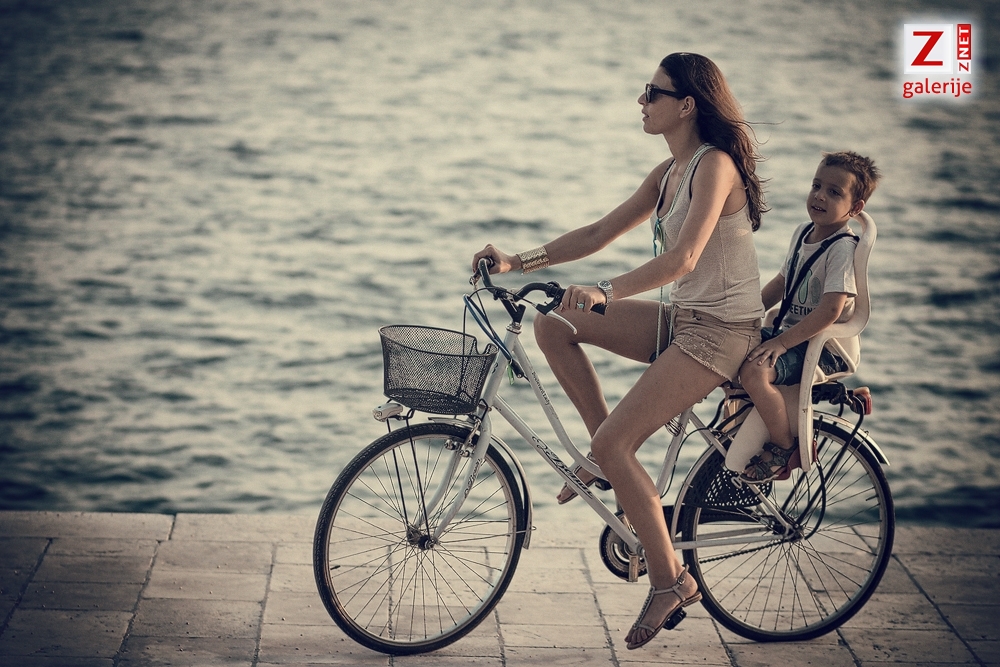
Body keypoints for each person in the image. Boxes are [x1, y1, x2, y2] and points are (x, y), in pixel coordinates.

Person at [472, 53, 766, 650]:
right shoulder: (669, 172)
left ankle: (670, 581)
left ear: (686, 105)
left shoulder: (715, 166)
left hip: (722, 332)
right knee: (555, 323)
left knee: (615, 442)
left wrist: (607, 291)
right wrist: (515, 262)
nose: (641, 101)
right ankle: (606, 457)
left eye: (653, 92)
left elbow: (683, 258)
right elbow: (597, 234)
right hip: (684, 319)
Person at [737, 151, 881, 484]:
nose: (819, 196)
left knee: (755, 373)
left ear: (855, 208)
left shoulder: (842, 248)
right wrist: (743, 315)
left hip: (824, 349)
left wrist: (780, 344)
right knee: (728, 347)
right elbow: (781, 282)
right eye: (816, 186)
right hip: (793, 335)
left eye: (834, 192)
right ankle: (748, 428)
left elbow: (831, 310)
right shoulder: (803, 232)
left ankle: (783, 446)